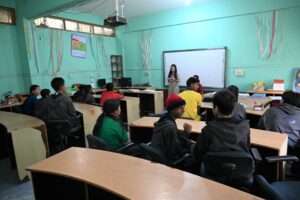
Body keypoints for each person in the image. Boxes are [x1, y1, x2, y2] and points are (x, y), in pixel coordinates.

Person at [193, 89, 251, 163]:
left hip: (213, 171)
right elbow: (247, 148)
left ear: (216, 108)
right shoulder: (245, 127)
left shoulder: (208, 129)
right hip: (241, 171)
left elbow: (198, 154)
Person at [151, 94, 193, 164]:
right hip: (168, 161)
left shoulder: (165, 119)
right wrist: (191, 149)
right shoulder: (170, 126)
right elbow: (175, 151)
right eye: (180, 108)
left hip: (161, 156)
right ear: (172, 109)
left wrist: (186, 133)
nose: (183, 110)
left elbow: (175, 139)